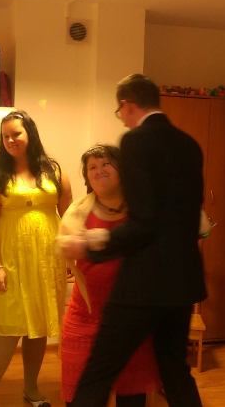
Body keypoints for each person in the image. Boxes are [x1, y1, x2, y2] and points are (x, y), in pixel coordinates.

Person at [62, 74, 205, 406]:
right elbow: (182, 215)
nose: (123, 119)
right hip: (183, 280)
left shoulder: (136, 141)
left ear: (127, 105)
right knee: (175, 370)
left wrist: (93, 243)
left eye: (120, 112)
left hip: (144, 281)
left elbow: (145, 222)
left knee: (99, 370)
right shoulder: (189, 144)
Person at [0, 110, 72, 407]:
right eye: (5, 136)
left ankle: (31, 389)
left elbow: (69, 216)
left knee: (38, 329)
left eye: (16, 133)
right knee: (8, 330)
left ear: (30, 132)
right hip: (11, 261)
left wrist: (71, 256)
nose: (10, 140)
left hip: (47, 261)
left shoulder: (55, 171)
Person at [57, 144, 160, 407]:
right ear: (87, 177)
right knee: (82, 397)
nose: (99, 170)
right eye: (92, 167)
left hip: (131, 317)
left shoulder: (142, 210)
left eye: (106, 164)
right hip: (86, 315)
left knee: (131, 396)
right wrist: (68, 245)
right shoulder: (77, 213)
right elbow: (64, 251)